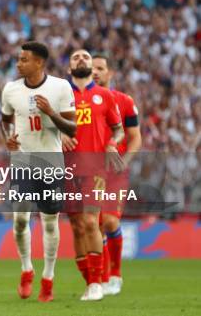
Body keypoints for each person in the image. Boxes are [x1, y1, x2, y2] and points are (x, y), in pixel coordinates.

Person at [0, 41, 77, 302]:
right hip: (22, 162)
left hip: (51, 163)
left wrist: (51, 113)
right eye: (19, 59)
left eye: (24, 59)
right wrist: (8, 138)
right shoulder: (10, 89)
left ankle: (48, 278)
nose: (19, 63)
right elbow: (6, 121)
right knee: (20, 221)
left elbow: (72, 129)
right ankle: (26, 269)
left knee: (49, 223)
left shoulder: (60, 87)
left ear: (39, 63)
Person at [63, 49, 125, 301]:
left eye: (85, 57)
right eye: (76, 58)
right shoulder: (60, 96)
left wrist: (112, 144)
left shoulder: (105, 96)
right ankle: (89, 281)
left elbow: (118, 130)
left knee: (91, 221)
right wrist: (60, 134)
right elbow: (46, 128)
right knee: (77, 227)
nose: (81, 60)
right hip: (66, 170)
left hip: (95, 169)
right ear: (69, 68)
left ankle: (99, 281)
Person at [92, 53, 142, 295]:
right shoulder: (80, 102)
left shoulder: (124, 101)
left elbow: (135, 138)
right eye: (92, 69)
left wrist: (125, 160)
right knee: (95, 225)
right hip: (90, 171)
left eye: (100, 68)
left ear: (110, 73)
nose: (95, 72)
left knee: (110, 220)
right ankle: (100, 280)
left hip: (115, 172)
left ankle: (116, 275)